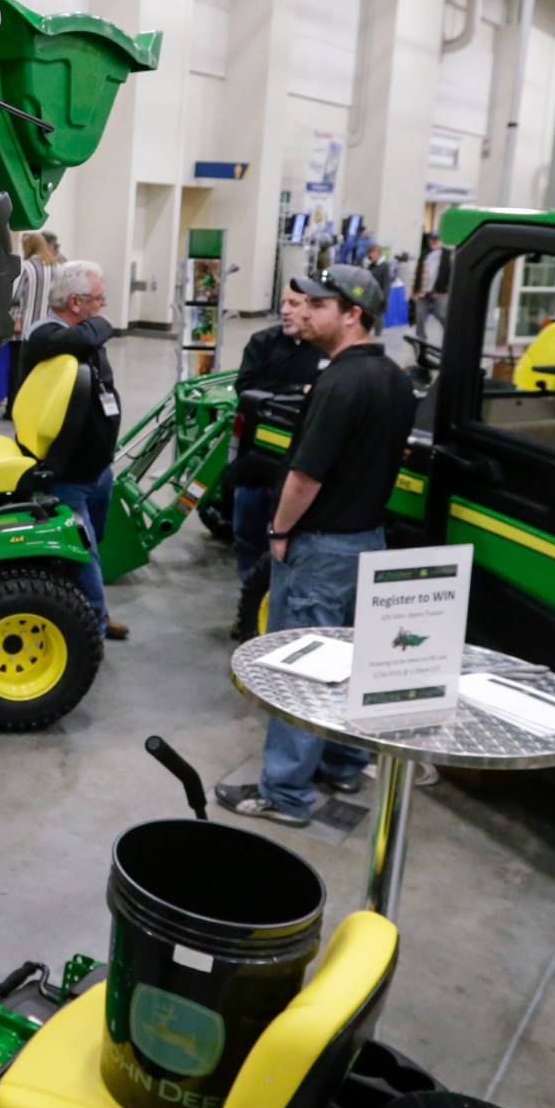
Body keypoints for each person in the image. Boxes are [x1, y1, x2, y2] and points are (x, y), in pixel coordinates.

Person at [214, 264, 417, 827]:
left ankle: (284, 794)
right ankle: (345, 761)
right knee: (348, 661)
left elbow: (306, 477)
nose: (303, 309)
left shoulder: (340, 383)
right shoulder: (396, 380)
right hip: (367, 542)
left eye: (319, 304)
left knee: (299, 671)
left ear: (352, 315)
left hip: (320, 547)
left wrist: (278, 531)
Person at [215, 288, 326, 638]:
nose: (286, 311)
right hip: (255, 461)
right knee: (248, 535)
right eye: (283, 304)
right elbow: (246, 388)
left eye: (295, 304)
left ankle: (278, 611)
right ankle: (250, 601)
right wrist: (299, 390)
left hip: (297, 468)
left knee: (288, 544)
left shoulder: (325, 351)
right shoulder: (261, 343)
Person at [25, 260, 127, 643]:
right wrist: (100, 327)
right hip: (67, 475)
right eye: (98, 298)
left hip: (96, 469)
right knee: (83, 554)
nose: (103, 306)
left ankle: (86, 612)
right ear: (75, 302)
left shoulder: (83, 333)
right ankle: (91, 635)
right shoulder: (45, 335)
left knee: (92, 545)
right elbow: (86, 336)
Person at [6, 230, 61, 402]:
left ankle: (14, 406)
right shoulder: (57, 267)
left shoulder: (26, 267)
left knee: (18, 367)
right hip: (48, 327)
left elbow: (15, 296)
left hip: (25, 328)